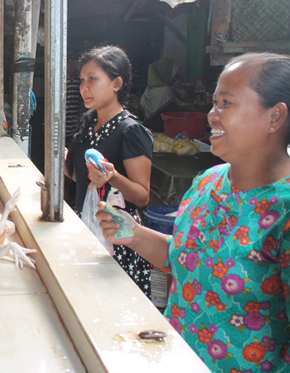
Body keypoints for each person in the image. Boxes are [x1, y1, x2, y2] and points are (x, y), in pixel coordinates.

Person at [96, 52, 290, 371]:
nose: (213, 115)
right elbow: (191, 260)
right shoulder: (207, 182)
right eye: (215, 103)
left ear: (275, 117)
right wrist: (132, 233)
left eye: (227, 102)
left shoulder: (284, 209)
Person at [65, 46, 154, 298]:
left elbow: (142, 196)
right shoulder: (87, 125)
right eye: (82, 80)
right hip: (87, 229)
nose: (84, 87)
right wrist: (60, 162)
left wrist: (113, 177)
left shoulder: (130, 130)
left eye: (92, 79)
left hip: (119, 238)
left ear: (116, 83)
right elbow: (82, 179)